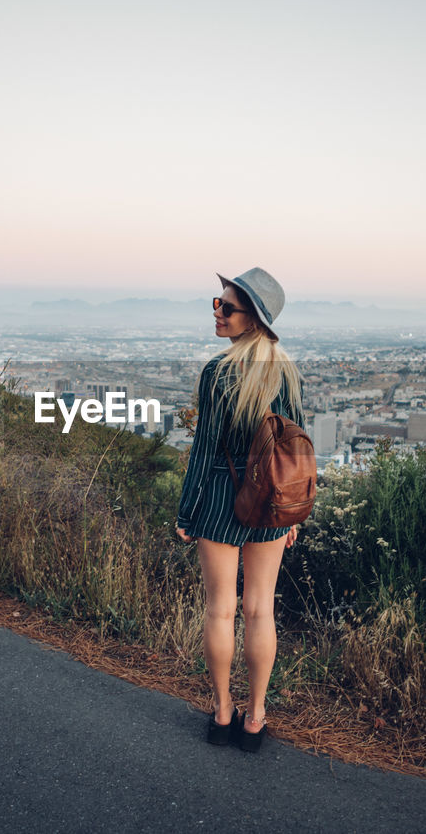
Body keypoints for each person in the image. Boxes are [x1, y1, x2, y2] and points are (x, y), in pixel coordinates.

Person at [174, 267, 305, 752]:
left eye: (226, 307)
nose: (217, 312)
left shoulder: (217, 373)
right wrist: (293, 516)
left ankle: (223, 712)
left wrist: (187, 513)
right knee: (259, 612)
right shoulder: (287, 373)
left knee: (219, 610)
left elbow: (205, 449)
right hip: (271, 507)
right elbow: (297, 453)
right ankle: (256, 718)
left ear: (253, 319)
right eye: (217, 302)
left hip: (216, 504)